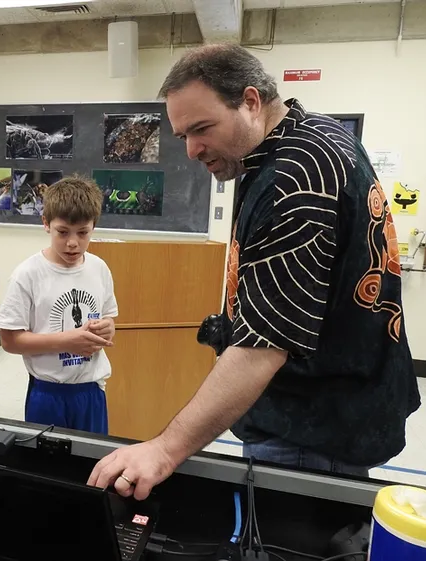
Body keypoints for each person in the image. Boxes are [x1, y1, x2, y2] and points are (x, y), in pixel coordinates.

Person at [88, 43, 420, 499]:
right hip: (339, 402)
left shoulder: (293, 180)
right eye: (183, 134)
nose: (191, 150)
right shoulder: (314, 134)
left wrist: (164, 449)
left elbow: (263, 348)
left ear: (250, 101)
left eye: (202, 129)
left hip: (308, 425)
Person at [0, 176, 118, 434]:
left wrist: (107, 329)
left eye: (83, 233)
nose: (73, 243)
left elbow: (109, 320)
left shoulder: (99, 269)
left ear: (93, 227)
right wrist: (66, 341)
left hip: (90, 391)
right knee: (45, 469)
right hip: (48, 393)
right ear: (46, 224)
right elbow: (10, 341)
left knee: (92, 467)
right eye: (63, 232)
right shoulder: (27, 274)